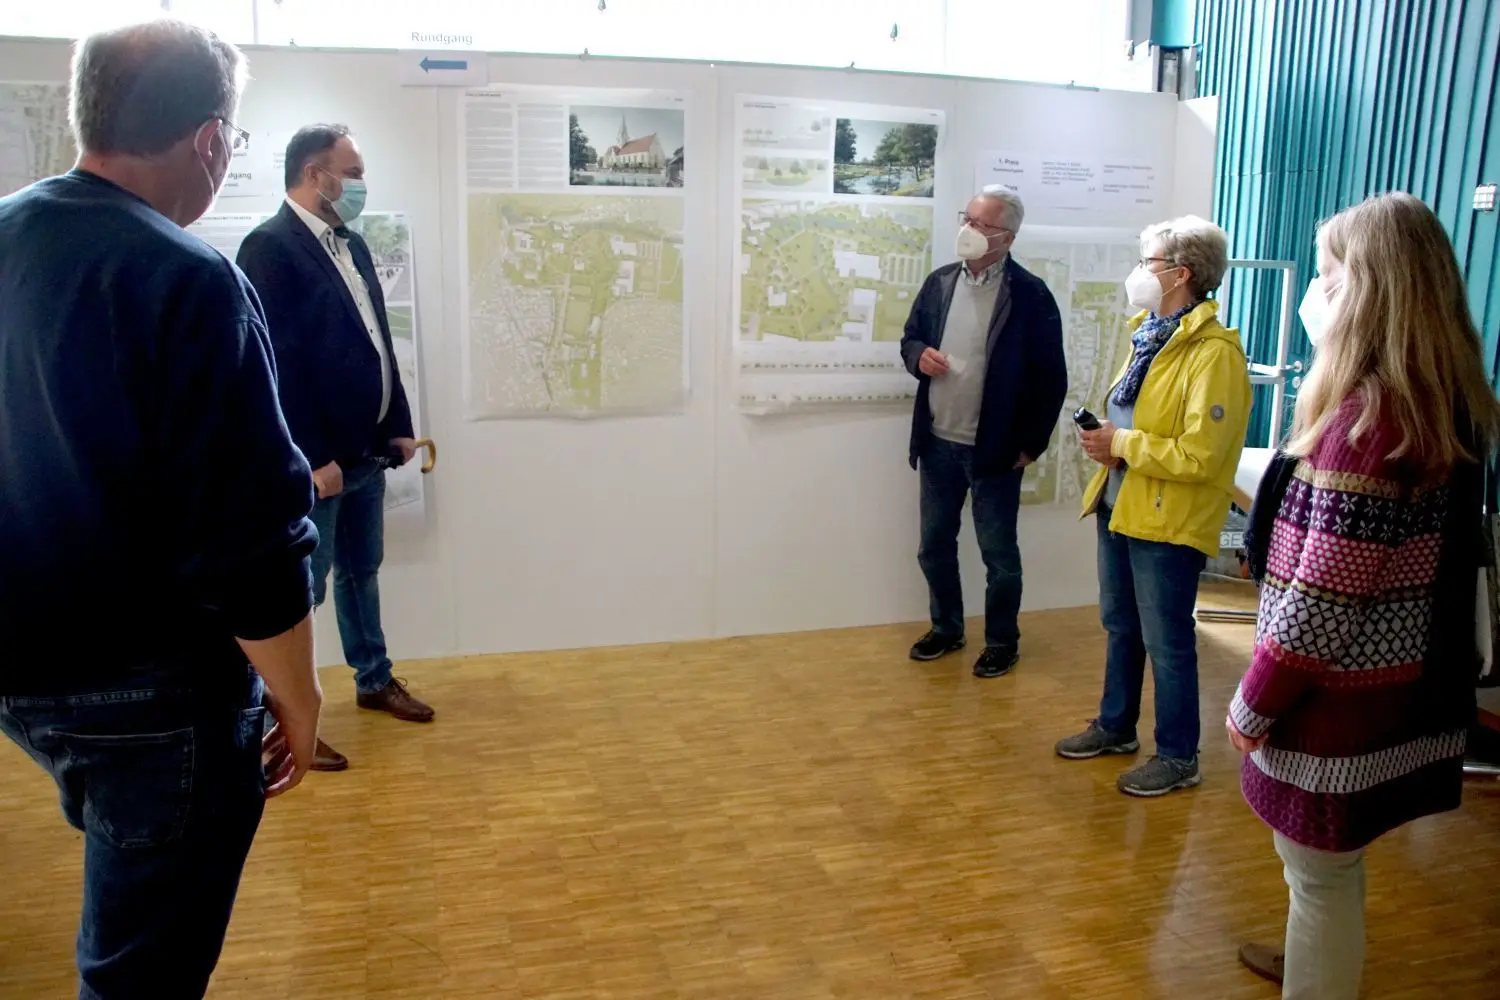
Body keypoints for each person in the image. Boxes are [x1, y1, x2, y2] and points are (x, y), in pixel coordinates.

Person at [0, 20, 324, 998]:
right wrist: (299, 698)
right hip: (153, 697)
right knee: (140, 975)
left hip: (22, 673)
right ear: (211, 140)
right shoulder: (188, 278)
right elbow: (249, 536)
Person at [1228, 192, 1498, 1000]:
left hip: (1335, 707)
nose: (1316, 294)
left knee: (1320, 876)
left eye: (1329, 275)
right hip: (1394, 692)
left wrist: (1252, 703)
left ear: (1374, 289)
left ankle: (1318, 973)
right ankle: (1312, 955)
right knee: (1325, 873)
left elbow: (1321, 601)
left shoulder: (1368, 423)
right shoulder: (1440, 405)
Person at [237, 124, 432, 771]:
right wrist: (313, 455)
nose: (360, 185)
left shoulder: (352, 243)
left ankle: (374, 679)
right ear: (314, 174)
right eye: (352, 172)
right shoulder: (269, 247)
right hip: (320, 464)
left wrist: (397, 422)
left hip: (367, 452)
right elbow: (276, 364)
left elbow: (378, 341)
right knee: (302, 593)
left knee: (361, 570)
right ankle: (283, 718)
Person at [1055, 216, 1251, 797]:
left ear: (1181, 274)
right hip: (1122, 504)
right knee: (1121, 625)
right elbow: (1138, 420)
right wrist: (1108, 439)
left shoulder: (1214, 354)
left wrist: (1120, 443)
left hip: (1168, 519)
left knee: (1167, 641)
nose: (1139, 271)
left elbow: (1201, 455)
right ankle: (1116, 726)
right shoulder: (1150, 335)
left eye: (1149, 262)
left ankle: (1178, 755)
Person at [899, 190, 1067, 678]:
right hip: (938, 442)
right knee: (934, 546)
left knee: (999, 557)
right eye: (966, 218)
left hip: (995, 451)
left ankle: (1001, 642)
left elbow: (1051, 378)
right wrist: (919, 356)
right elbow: (910, 338)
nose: (968, 230)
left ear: (1007, 238)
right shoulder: (940, 282)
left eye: (981, 224)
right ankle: (946, 629)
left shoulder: (1030, 295)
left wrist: (1030, 446)